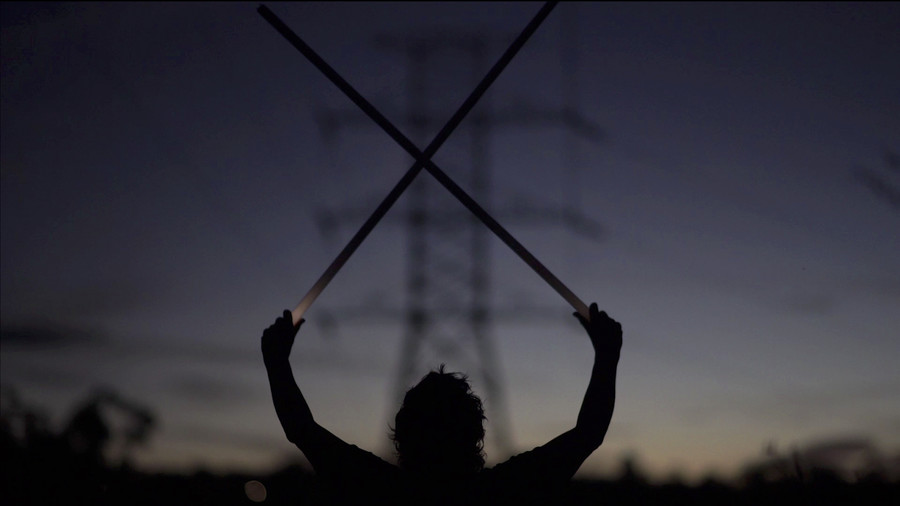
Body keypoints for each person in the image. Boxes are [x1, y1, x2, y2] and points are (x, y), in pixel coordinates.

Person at [262, 302, 622, 505]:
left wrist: (277, 362)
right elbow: (588, 433)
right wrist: (606, 357)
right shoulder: (504, 492)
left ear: (404, 434)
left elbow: (301, 430)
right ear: (475, 432)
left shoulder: (380, 490)